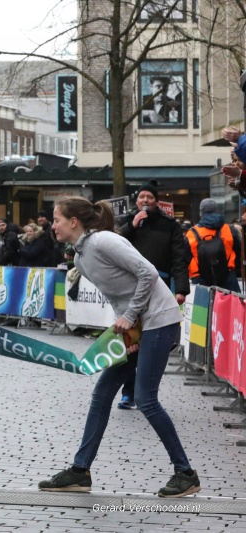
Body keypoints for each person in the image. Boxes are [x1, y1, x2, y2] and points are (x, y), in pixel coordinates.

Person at [39, 196, 199, 498]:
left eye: (57, 218)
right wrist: (128, 331)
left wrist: (130, 317)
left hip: (160, 320)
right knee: (102, 393)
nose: (53, 224)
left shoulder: (103, 241)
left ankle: (185, 473)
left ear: (74, 221)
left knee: (145, 399)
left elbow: (148, 273)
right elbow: (117, 297)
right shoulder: (79, 258)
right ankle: (80, 471)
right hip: (140, 326)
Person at [115, 180, 190, 410]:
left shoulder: (170, 225)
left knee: (152, 340)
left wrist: (181, 289)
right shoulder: (127, 222)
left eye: (149, 197)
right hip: (131, 288)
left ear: (156, 201)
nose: (145, 201)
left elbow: (180, 257)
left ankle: (145, 392)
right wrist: (132, 226)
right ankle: (128, 393)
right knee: (130, 340)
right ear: (136, 201)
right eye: (141, 197)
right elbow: (115, 244)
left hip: (159, 287)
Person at [185, 198, 241, 292]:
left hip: (200, 281)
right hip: (228, 279)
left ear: (201, 213)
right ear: (216, 210)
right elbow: (238, 252)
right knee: (231, 306)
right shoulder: (229, 230)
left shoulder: (191, 233)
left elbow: (185, 258)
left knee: (203, 307)